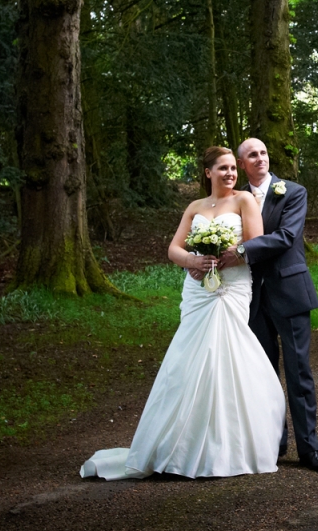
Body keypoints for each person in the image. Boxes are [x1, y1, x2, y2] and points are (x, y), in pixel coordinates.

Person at [79, 146, 285, 479]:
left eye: (233, 168)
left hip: (231, 286)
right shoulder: (195, 207)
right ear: (208, 172)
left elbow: (255, 244)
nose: (230, 174)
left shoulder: (244, 200)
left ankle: (228, 446)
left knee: (224, 354)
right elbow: (173, 249)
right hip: (198, 289)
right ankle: (179, 443)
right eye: (223, 168)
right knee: (188, 357)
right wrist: (193, 260)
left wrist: (229, 254)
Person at [219, 138, 318, 472]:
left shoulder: (293, 192)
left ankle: (309, 449)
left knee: (298, 372)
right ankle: (272, 444)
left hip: (290, 291)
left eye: (264, 153)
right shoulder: (234, 198)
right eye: (252, 155)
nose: (260, 158)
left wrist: (241, 251)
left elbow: (286, 236)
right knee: (263, 374)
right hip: (251, 297)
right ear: (241, 164)